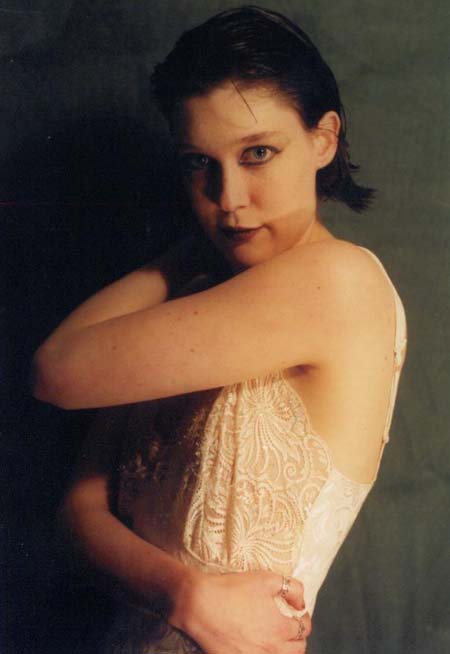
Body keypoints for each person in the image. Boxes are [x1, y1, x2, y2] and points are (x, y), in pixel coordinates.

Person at [32, 6, 408, 653]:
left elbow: (54, 370)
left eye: (258, 153)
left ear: (323, 140)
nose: (228, 199)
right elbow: (78, 512)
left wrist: (187, 251)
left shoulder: (337, 281)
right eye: (197, 163)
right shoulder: (196, 302)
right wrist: (186, 594)